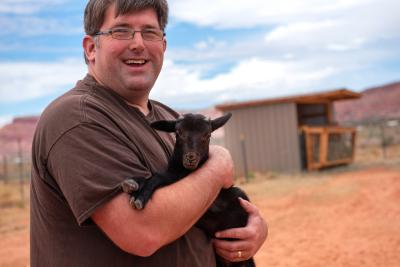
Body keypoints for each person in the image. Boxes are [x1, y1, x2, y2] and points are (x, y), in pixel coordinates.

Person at [30, 0, 268, 266]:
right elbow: (143, 233)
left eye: (150, 32)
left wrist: (253, 229)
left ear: (163, 46)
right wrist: (219, 163)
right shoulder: (77, 118)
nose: (138, 43)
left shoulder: (170, 119)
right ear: (91, 48)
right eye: (121, 31)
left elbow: (200, 204)